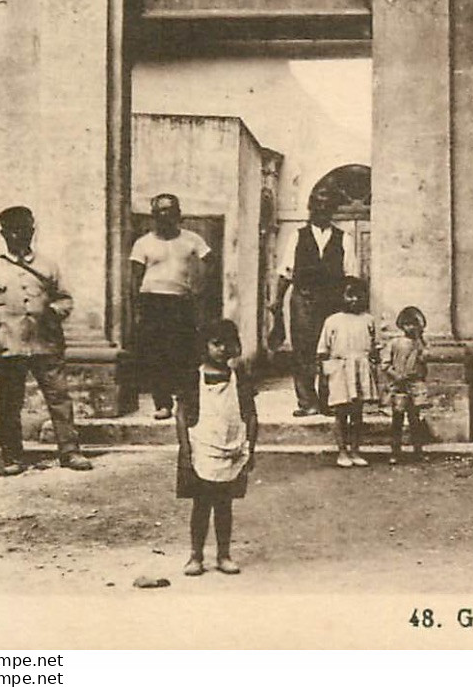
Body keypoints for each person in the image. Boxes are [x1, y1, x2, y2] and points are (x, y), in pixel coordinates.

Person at [0, 206, 92, 474]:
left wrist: (54, 311)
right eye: (14, 231)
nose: (20, 236)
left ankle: (70, 452)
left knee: (59, 397)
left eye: (25, 230)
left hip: (46, 343)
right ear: (4, 234)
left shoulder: (48, 265)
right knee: (10, 402)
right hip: (7, 344)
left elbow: (65, 299)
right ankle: (12, 457)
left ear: (32, 231)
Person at [176, 319, 257, 577]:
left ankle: (224, 554)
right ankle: (196, 555)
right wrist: (186, 451)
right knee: (201, 505)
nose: (222, 349)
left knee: (224, 506)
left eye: (228, 344)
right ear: (204, 346)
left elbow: (250, 415)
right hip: (202, 447)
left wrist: (251, 448)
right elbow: (181, 415)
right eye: (216, 343)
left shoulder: (239, 377)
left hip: (230, 447)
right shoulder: (193, 377)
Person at [271, 188, 356, 417]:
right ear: (310, 207)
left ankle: (329, 401)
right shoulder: (297, 236)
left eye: (326, 205)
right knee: (303, 352)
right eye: (317, 205)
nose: (321, 209)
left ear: (332, 210)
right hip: (304, 300)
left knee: (330, 352)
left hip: (332, 302)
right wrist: (276, 303)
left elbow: (350, 276)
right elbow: (286, 273)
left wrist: (349, 306)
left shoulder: (344, 238)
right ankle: (307, 402)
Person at [130, 194, 214, 420]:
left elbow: (210, 263)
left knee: (184, 352)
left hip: (180, 302)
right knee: (156, 354)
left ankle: (186, 403)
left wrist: (199, 288)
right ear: (153, 216)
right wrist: (137, 309)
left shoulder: (192, 239)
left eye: (170, 210)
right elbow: (135, 278)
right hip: (152, 302)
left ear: (178, 213)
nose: (165, 215)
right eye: (160, 211)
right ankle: (163, 403)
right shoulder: (143, 243)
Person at [318, 277, 379, 468]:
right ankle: (342, 451)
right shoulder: (332, 321)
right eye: (349, 295)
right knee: (341, 412)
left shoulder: (368, 320)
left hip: (361, 368)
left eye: (358, 295)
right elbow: (323, 350)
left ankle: (355, 450)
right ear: (341, 296)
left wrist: (373, 364)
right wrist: (324, 376)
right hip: (340, 369)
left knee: (357, 412)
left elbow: (375, 346)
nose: (354, 300)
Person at [383, 306, 429, 463]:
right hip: (399, 385)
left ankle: (418, 450)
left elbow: (424, 363)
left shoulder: (421, 344)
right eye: (407, 324)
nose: (411, 327)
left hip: (415, 385)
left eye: (415, 324)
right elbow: (385, 365)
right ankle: (395, 451)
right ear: (401, 325)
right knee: (397, 419)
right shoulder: (395, 343)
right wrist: (396, 376)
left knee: (415, 419)